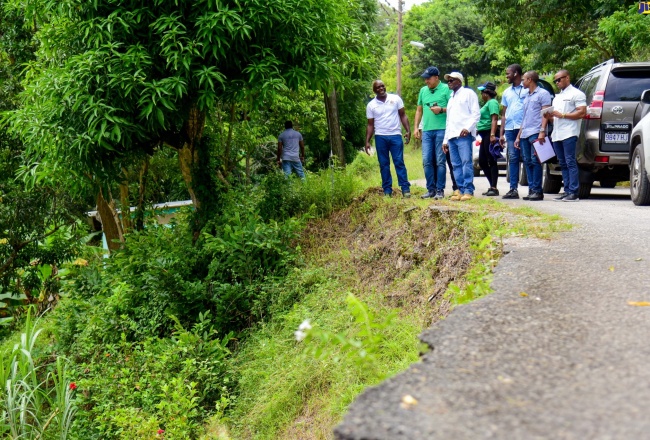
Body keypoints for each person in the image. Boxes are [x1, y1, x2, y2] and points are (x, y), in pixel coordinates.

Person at [365, 80, 412, 198]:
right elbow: (370, 124)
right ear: (374, 90)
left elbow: (403, 115)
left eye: (382, 86)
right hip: (380, 137)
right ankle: (387, 190)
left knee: (399, 162)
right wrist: (367, 141)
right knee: (384, 164)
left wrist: (407, 130)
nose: (381, 88)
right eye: (378, 87)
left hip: (395, 136)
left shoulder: (395, 99)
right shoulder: (371, 105)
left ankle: (405, 189)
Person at [547, 70, 587, 202]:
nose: (557, 82)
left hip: (569, 132)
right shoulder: (558, 97)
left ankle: (574, 192)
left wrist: (563, 115)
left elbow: (582, 113)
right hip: (557, 133)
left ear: (567, 78)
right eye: (555, 81)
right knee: (562, 163)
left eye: (559, 79)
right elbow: (556, 117)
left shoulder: (577, 94)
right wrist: (550, 117)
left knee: (570, 161)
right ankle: (567, 190)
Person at [414, 66, 451, 200]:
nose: (426, 81)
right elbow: (419, 110)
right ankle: (431, 189)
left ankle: (440, 190)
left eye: (428, 79)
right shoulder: (423, 91)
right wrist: (416, 127)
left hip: (442, 130)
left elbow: (453, 108)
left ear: (436, 78)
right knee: (427, 160)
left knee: (440, 161)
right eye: (425, 79)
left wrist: (441, 109)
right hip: (427, 131)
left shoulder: (446, 89)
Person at [442, 72, 480, 201]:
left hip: (463, 135)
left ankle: (469, 190)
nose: (449, 82)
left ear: (459, 81)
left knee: (466, 162)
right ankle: (461, 190)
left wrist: (468, 128)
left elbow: (476, 114)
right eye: (448, 80)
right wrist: (445, 140)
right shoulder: (451, 98)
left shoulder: (468, 94)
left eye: (452, 80)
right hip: (452, 135)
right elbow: (448, 121)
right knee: (455, 164)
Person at [515, 71, 552, 201]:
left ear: (530, 80)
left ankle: (537, 190)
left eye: (524, 79)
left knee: (535, 161)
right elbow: (524, 118)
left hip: (536, 131)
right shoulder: (527, 96)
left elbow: (546, 114)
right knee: (527, 161)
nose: (522, 82)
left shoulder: (543, 94)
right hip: (525, 132)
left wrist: (542, 131)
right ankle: (532, 189)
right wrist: (518, 136)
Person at [500, 64, 527, 200]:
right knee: (513, 158)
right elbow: (503, 114)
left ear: (516, 73)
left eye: (508, 73)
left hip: (525, 128)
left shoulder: (527, 89)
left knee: (528, 158)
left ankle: (533, 189)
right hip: (510, 129)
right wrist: (501, 133)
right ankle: (513, 189)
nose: (506, 76)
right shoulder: (506, 92)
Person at [476, 82, 501, 196]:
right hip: (483, 134)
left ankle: (494, 187)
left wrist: (492, 135)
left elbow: (494, 119)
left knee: (491, 160)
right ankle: (491, 185)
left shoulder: (492, 102)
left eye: (482, 91)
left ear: (487, 92)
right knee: (482, 161)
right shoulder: (487, 103)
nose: (481, 94)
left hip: (488, 133)